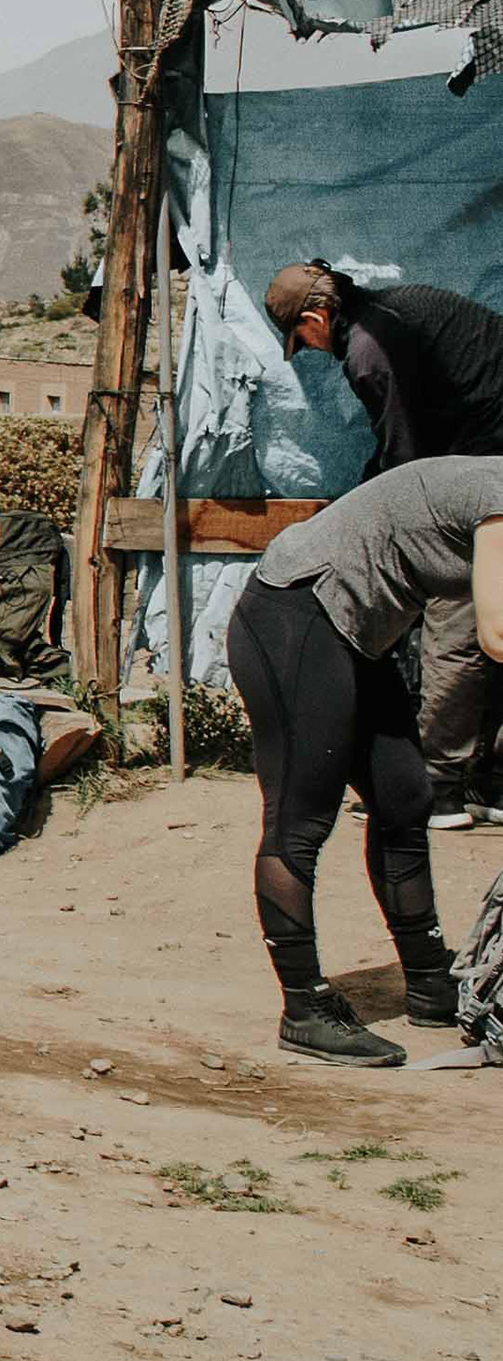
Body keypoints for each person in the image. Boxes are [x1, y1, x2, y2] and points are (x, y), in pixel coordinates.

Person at [222, 453, 494, 1065]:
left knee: (405, 798)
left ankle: (430, 981)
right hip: (294, 614)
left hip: (357, 633)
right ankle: (304, 1007)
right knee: (300, 819)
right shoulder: (497, 497)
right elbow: (496, 633)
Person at [268, 262, 503, 830]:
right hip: (488, 456)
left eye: (302, 340)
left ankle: (435, 790)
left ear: (316, 317)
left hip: (487, 471)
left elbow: (406, 464)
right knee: (497, 629)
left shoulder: (369, 349)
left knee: (457, 623)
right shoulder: (397, 308)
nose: (311, 352)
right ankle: (492, 781)